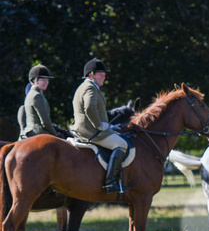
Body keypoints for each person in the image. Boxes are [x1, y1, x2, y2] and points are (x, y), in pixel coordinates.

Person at [70, 58, 128, 194]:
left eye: (104, 74)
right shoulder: (90, 87)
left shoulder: (85, 87)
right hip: (90, 131)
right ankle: (110, 182)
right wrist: (99, 125)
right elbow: (89, 108)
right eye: (100, 74)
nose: (104, 77)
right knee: (122, 144)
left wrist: (110, 127)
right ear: (91, 75)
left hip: (87, 129)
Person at [19, 64, 58, 139]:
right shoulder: (37, 96)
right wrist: (55, 134)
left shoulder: (30, 94)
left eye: (47, 80)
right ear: (34, 80)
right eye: (43, 79)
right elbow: (45, 122)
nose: (46, 82)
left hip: (29, 132)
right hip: (38, 132)